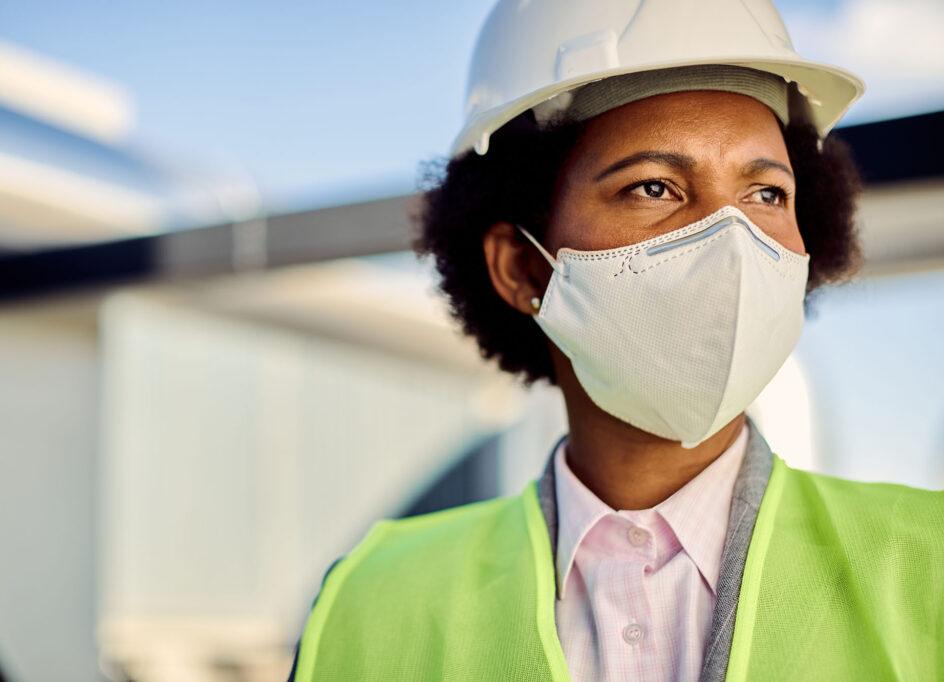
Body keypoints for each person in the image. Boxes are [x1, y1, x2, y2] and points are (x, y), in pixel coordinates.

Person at [290, 1, 944, 680]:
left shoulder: (931, 567)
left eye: (766, 195)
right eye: (654, 186)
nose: (732, 241)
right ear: (522, 266)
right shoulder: (375, 601)